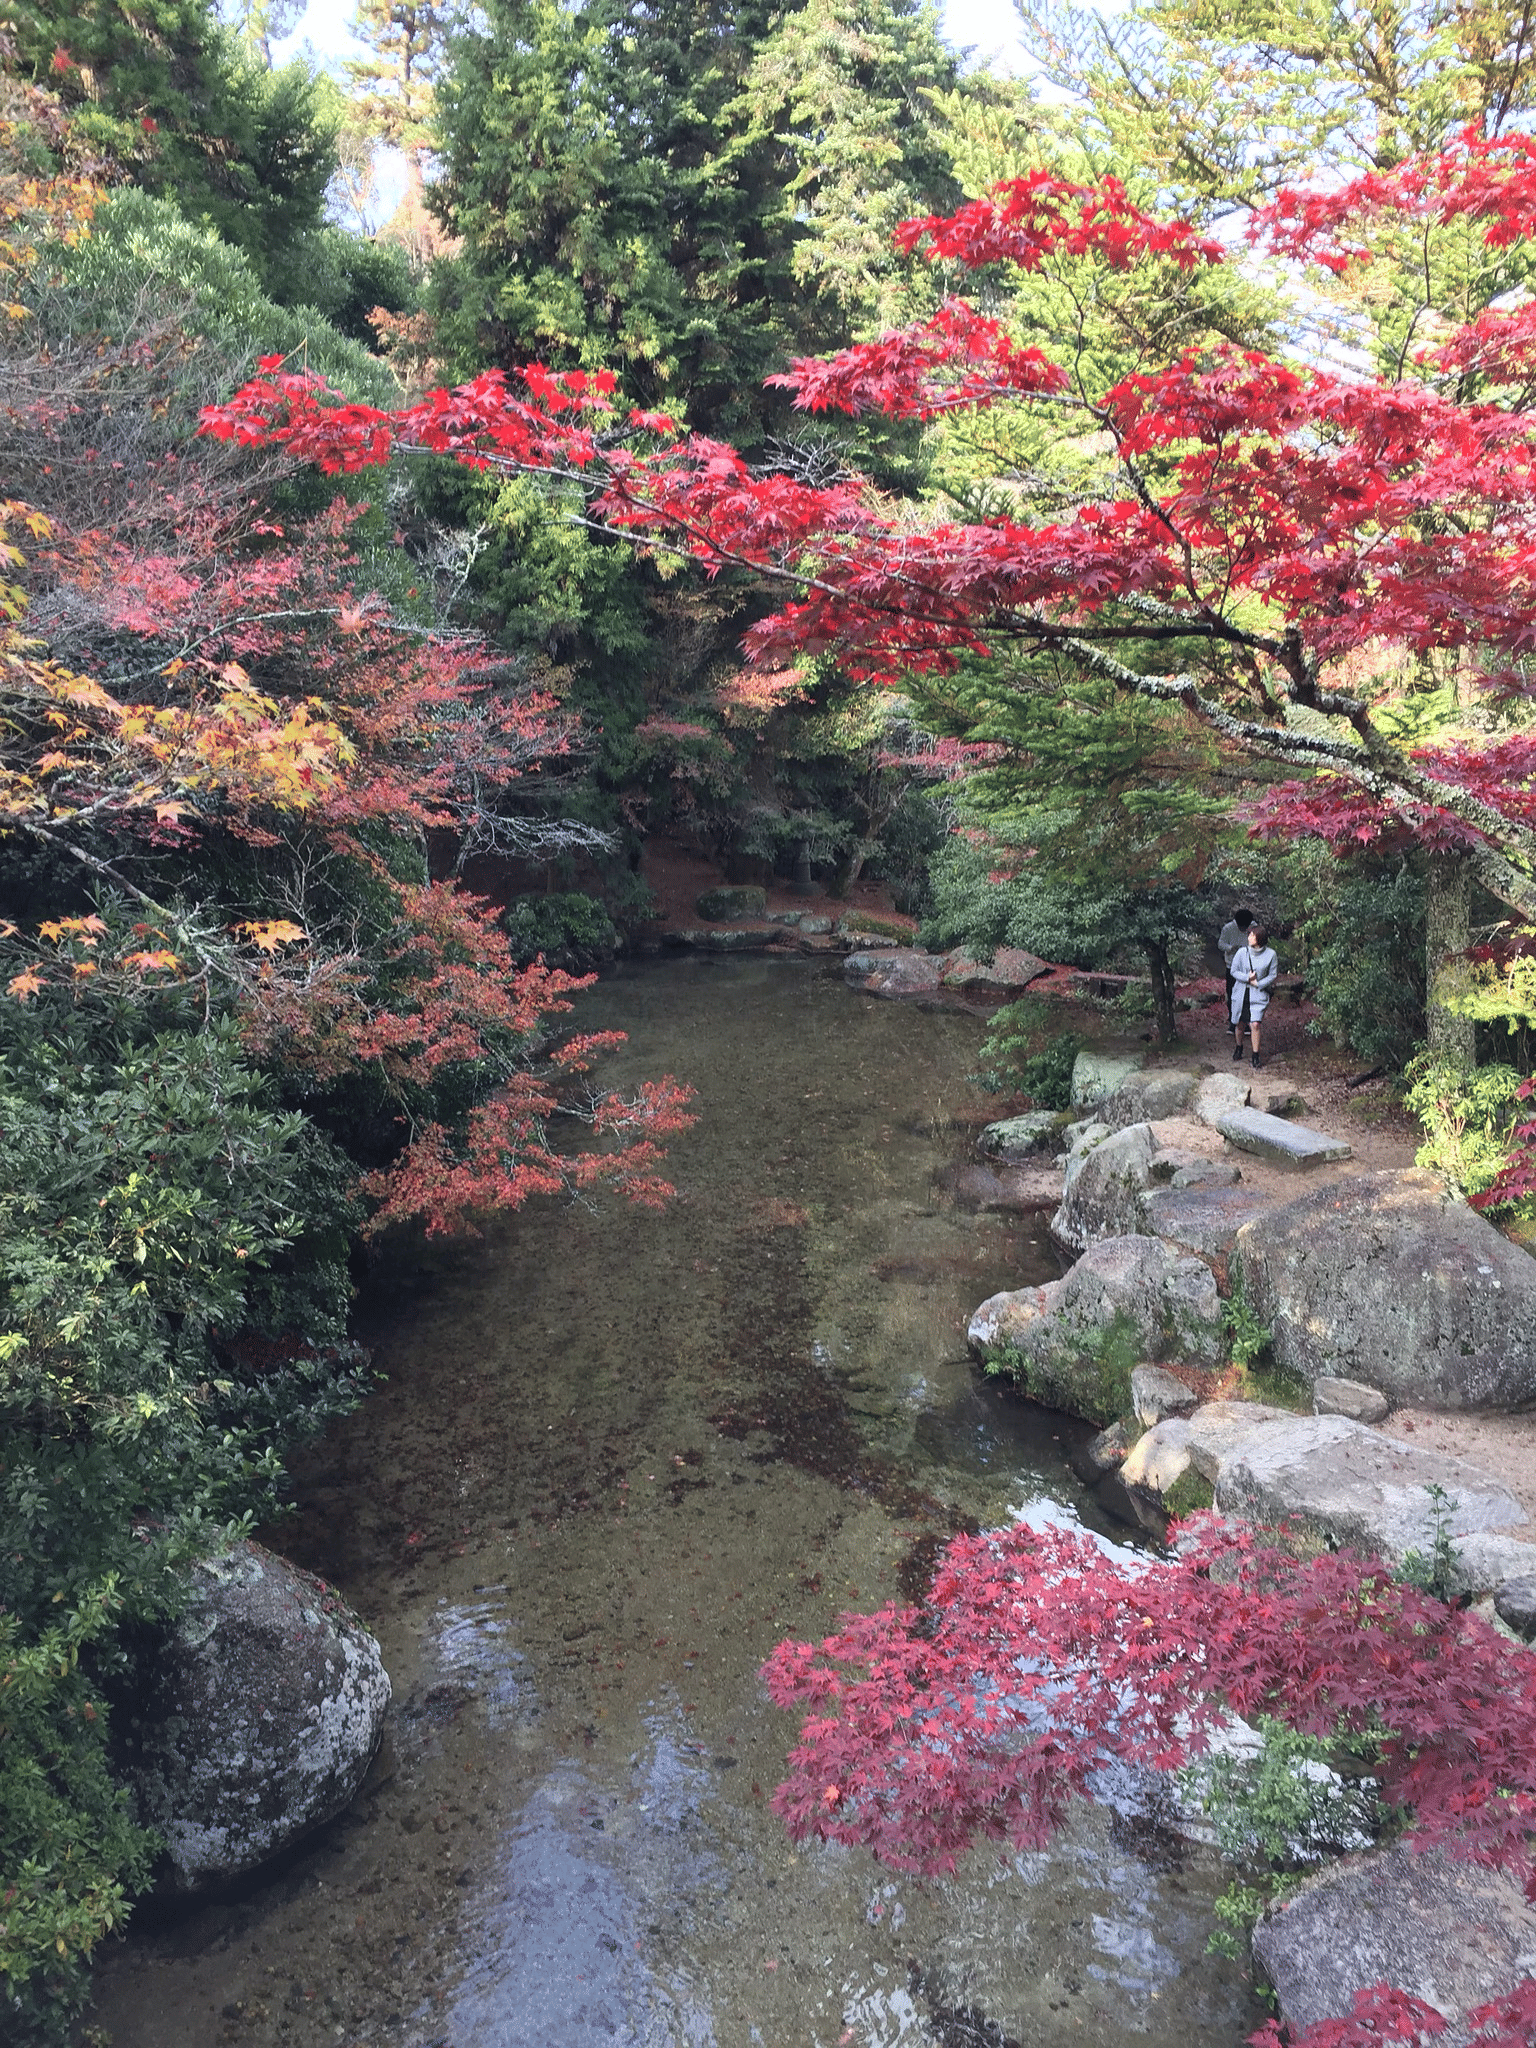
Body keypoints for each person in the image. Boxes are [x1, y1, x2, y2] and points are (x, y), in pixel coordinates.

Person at [1230, 922, 1279, 1068]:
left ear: (1260, 938)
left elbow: (1272, 975)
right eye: (1249, 934)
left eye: (1252, 935)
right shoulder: (1241, 953)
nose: (1249, 937)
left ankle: (1255, 1055)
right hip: (1241, 993)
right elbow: (1233, 971)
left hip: (1258, 994)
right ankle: (1239, 1047)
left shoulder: (1271, 955)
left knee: (1255, 1024)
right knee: (1239, 1023)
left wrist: (1259, 983)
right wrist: (1247, 978)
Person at [1218, 906, 1254, 1022]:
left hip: (1249, 967)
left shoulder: (1254, 927)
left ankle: (1247, 1020)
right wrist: (1230, 948)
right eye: (1242, 927)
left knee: (1249, 995)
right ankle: (1233, 1020)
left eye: (1245, 927)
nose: (1244, 930)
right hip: (1232, 966)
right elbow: (1221, 944)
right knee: (1232, 994)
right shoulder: (1228, 928)